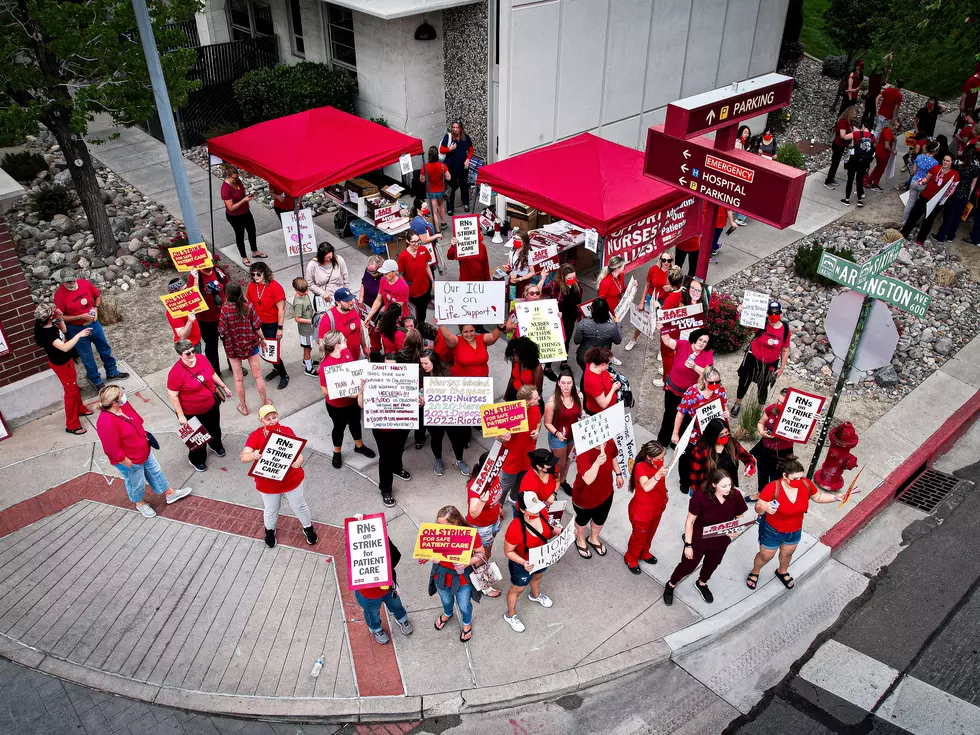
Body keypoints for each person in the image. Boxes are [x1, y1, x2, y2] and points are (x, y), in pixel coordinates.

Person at [96, 384, 192, 517]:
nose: (124, 395)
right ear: (114, 403)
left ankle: (169, 493)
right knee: (136, 482)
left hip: (143, 450)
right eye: (120, 395)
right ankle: (139, 503)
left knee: (156, 471)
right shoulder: (106, 422)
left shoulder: (123, 406)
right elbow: (111, 449)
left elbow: (138, 420)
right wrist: (128, 463)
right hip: (130, 459)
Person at [747, 458, 843, 591]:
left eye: (801, 477)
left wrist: (836, 497)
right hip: (772, 530)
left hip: (794, 531)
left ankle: (782, 571)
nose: (800, 481)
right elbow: (759, 508)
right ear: (785, 476)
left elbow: (818, 497)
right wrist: (764, 506)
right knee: (766, 556)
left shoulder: (806, 484)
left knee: (787, 554)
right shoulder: (772, 488)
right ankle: (755, 571)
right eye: (795, 478)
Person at [663, 469, 752, 605]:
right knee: (687, 566)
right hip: (699, 539)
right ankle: (671, 584)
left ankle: (702, 583)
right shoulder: (700, 497)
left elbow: (739, 517)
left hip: (721, 540)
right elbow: (690, 522)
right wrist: (688, 545)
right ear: (713, 485)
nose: (728, 488)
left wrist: (735, 530)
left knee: (711, 565)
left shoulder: (736, 495)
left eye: (730, 485)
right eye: (724, 486)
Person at [241, 405, 317, 548]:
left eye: (274, 417)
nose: (271, 421)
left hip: (291, 481)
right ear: (261, 420)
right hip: (268, 484)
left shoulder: (286, 431)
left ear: (278, 416)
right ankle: (269, 531)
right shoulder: (256, 435)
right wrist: (252, 455)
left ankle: (308, 527)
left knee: (299, 506)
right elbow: (244, 456)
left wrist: (299, 461)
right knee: (271, 509)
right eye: (267, 419)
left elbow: (298, 452)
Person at [53, 269, 130, 389]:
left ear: (75, 278)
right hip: (76, 328)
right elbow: (61, 317)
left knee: (105, 348)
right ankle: (96, 379)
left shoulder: (85, 284)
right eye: (66, 282)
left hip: (94, 324)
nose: (69, 284)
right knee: (87, 356)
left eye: (71, 281)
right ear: (62, 282)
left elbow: (97, 296)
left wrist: (96, 308)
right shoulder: (60, 295)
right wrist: (80, 317)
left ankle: (112, 372)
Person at [166, 338, 231, 472]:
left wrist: (224, 386)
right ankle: (197, 459)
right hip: (191, 411)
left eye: (193, 351)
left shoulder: (202, 359)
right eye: (188, 353)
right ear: (180, 355)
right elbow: (173, 395)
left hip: (211, 404)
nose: (192, 355)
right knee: (196, 438)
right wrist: (181, 415)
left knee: (214, 428)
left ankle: (215, 444)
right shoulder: (176, 372)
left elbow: (212, 374)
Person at [358, 354, 412, 507]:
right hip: (382, 429)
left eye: (393, 365)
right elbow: (361, 405)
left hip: (401, 425)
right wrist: (361, 390)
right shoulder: (372, 381)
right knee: (386, 457)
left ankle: (397, 468)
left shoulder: (405, 379)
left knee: (399, 450)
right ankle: (386, 489)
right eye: (386, 365)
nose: (389, 369)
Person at [33, 303, 93, 435]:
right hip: (61, 365)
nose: (56, 310)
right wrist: (79, 335)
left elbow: (64, 332)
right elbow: (65, 347)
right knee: (70, 393)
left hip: (66, 361)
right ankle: (72, 425)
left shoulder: (50, 325)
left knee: (74, 387)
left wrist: (60, 319)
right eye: (53, 311)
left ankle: (80, 409)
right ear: (49, 316)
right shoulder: (47, 334)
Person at [318, 330, 375, 469]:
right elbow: (325, 391)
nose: (346, 341)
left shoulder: (346, 352)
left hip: (352, 402)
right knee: (339, 428)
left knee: (355, 423)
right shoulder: (325, 366)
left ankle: (359, 446)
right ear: (337, 345)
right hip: (336, 406)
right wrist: (348, 393)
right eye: (343, 340)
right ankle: (337, 452)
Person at [427, 505, 484, 642]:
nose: (440, 528)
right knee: (445, 600)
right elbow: (428, 550)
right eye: (439, 523)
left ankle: (466, 623)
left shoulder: (471, 534)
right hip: (441, 575)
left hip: (462, 577)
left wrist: (468, 562)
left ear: (456, 522)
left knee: (464, 605)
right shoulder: (436, 533)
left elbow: (481, 553)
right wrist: (431, 556)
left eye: (444, 525)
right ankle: (447, 613)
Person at [503, 491, 556, 633]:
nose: (538, 511)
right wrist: (523, 562)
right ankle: (511, 614)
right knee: (518, 589)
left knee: (537, 577)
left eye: (538, 507)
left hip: (540, 558)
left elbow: (548, 531)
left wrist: (561, 532)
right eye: (533, 510)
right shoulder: (516, 527)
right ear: (522, 510)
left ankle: (536, 595)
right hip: (522, 564)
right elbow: (508, 551)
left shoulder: (542, 512)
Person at [671, 365, 727, 495]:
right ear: (704, 380)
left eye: (717, 382)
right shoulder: (693, 392)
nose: (715, 384)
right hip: (692, 429)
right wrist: (675, 433)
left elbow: (724, 407)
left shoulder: (720, 390)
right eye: (711, 382)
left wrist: (726, 413)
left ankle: (699, 481)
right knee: (686, 458)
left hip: (710, 432)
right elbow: (680, 413)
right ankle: (684, 482)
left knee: (705, 458)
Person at [730, 300, 790, 419]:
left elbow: (785, 349)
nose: (774, 315)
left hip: (770, 364)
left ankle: (758, 410)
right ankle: (737, 403)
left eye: (777, 312)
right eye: (771, 313)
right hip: (753, 358)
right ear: (767, 314)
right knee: (744, 382)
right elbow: (745, 323)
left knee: (763, 387)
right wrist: (741, 312)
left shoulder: (786, 330)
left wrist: (782, 367)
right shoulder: (761, 323)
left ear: (781, 314)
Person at [352, 529, 414, 645]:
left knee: (396, 604)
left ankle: (401, 618)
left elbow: (395, 554)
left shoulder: (381, 540)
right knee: (372, 613)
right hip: (368, 593)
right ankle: (376, 628)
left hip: (388, 587)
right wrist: (356, 524)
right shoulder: (355, 547)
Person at [217, 282, 269, 416]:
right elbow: (257, 326)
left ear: (227, 295)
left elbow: (221, 331)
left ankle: (244, 408)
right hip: (250, 343)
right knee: (258, 376)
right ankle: (265, 403)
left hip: (232, 347)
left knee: (238, 379)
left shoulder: (225, 309)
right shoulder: (248, 306)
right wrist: (263, 339)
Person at [657, 328, 714, 447]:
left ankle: (676, 443)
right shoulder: (683, 345)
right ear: (695, 338)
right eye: (700, 339)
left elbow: (708, 375)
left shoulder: (707, 354)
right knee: (669, 415)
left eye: (705, 342)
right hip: (672, 390)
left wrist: (694, 367)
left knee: (685, 420)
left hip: (689, 396)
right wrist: (663, 329)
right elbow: (668, 342)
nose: (702, 343)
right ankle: (662, 442)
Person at [417, 349, 470, 476]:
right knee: (436, 438)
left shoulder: (450, 372)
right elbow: (417, 392)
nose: (423, 366)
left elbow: (463, 388)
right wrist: (420, 401)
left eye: (426, 363)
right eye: (421, 364)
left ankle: (459, 460)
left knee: (456, 439)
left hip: (450, 413)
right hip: (431, 414)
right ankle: (438, 460)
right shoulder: (421, 375)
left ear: (434, 362)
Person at [572, 435, 622, 559]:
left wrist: (618, 473)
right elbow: (588, 479)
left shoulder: (609, 442)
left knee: (600, 519)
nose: (603, 444)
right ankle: (580, 540)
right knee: (582, 521)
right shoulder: (583, 451)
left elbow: (613, 457)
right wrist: (597, 463)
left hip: (606, 492)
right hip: (585, 497)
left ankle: (593, 538)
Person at [624, 441, 669, 574]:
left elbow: (660, 481)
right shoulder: (640, 467)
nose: (662, 460)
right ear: (649, 457)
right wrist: (658, 475)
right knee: (638, 538)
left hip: (657, 507)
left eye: (662, 457)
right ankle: (631, 558)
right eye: (659, 458)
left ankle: (644, 553)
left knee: (650, 534)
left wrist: (665, 491)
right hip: (642, 512)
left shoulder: (658, 461)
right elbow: (646, 486)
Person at [689, 418, 757, 502]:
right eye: (721, 435)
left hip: (728, 486)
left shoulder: (733, 444)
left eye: (727, 433)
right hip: (710, 490)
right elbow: (696, 477)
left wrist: (750, 467)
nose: (725, 437)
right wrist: (698, 496)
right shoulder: (700, 451)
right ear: (712, 435)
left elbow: (748, 458)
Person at [466, 450, 504, 597]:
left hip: (493, 520)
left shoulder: (494, 476)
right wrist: (482, 501)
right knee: (483, 555)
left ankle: (475, 559)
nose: (500, 468)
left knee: (486, 551)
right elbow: (473, 512)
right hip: (482, 526)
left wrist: (498, 507)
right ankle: (485, 586)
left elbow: (496, 493)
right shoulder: (475, 486)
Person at [498, 385, 543, 507]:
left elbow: (538, 422)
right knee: (504, 486)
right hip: (512, 460)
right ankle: (498, 506)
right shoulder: (510, 414)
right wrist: (502, 437)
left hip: (527, 457)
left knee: (520, 482)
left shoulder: (535, 409)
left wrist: (537, 430)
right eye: (535, 398)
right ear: (527, 401)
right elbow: (498, 437)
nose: (539, 398)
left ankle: (513, 499)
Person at [247, 262, 289, 390]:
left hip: (272, 325)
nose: (256, 276)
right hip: (259, 325)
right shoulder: (252, 286)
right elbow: (249, 303)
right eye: (253, 274)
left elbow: (281, 309)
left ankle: (284, 374)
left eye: (258, 274)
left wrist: (279, 328)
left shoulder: (275, 287)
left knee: (272, 352)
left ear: (265, 273)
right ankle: (276, 369)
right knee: (265, 351)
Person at [902, 153, 959, 245]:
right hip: (925, 195)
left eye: (947, 161)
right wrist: (920, 182)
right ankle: (904, 233)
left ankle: (920, 239)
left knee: (928, 220)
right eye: (944, 160)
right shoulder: (936, 168)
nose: (945, 162)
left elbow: (952, 189)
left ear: (952, 162)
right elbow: (926, 179)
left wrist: (943, 198)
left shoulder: (954, 174)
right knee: (914, 215)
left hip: (936, 201)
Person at [543, 369, 583, 494]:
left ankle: (562, 482)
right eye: (563, 383)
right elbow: (547, 423)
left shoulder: (579, 396)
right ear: (558, 383)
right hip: (558, 437)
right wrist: (557, 433)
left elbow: (580, 413)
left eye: (569, 383)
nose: (566, 386)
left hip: (572, 435)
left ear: (572, 383)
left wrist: (584, 417)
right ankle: (553, 485)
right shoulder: (552, 403)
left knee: (567, 461)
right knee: (558, 464)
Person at [751, 387, 795, 493]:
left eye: (782, 403)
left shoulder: (795, 417)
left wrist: (814, 421)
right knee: (762, 473)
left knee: (777, 478)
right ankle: (761, 494)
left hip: (782, 453)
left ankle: (772, 497)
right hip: (765, 447)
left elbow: (809, 435)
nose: (779, 404)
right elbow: (761, 423)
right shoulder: (772, 408)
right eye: (778, 400)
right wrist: (762, 432)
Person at [626, 250, 672, 351]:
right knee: (642, 319)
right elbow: (647, 285)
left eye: (669, 260)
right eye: (664, 260)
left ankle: (662, 349)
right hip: (650, 297)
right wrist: (642, 302)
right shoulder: (653, 269)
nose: (666, 262)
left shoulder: (673, 272)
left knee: (663, 326)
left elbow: (676, 288)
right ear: (660, 260)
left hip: (664, 301)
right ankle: (633, 339)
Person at [187, 264, 229, 374]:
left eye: (210, 262)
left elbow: (228, 286)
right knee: (211, 347)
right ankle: (216, 373)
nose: (210, 265)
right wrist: (195, 279)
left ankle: (234, 366)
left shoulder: (218, 270)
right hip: (206, 320)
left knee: (228, 343)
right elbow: (192, 297)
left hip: (224, 317)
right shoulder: (196, 275)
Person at [220, 165, 266, 266]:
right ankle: (244, 257)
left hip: (245, 212)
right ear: (227, 176)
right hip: (234, 216)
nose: (237, 179)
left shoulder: (238, 182)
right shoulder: (225, 189)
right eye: (234, 178)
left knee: (252, 231)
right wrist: (243, 201)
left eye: (237, 177)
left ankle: (254, 251)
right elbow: (231, 207)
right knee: (240, 235)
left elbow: (241, 194)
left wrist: (247, 199)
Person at [937, 147, 980, 243]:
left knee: (948, 216)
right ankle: (950, 236)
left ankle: (941, 236)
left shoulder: (958, 165)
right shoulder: (976, 168)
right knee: (957, 218)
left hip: (954, 193)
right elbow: (973, 184)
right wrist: (968, 196)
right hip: (965, 195)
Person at [573, 297, 622, 375]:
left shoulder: (583, 323)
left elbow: (576, 341)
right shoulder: (611, 327)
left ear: (592, 310)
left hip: (584, 357)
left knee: (586, 374)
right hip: (602, 360)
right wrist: (618, 324)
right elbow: (618, 341)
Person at [438, 322, 507, 377]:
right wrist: (441, 325)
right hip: (464, 382)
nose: (469, 334)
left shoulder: (482, 339)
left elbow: (492, 337)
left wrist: (500, 328)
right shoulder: (457, 341)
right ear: (461, 332)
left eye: (471, 331)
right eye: (465, 332)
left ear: (475, 330)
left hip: (483, 380)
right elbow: (448, 336)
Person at [546, 265, 582, 368]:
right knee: (555, 341)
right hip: (558, 319)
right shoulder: (555, 285)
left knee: (567, 340)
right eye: (569, 278)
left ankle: (564, 362)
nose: (572, 280)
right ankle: (548, 367)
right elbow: (541, 292)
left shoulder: (576, 284)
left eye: (573, 277)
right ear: (562, 277)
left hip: (571, 318)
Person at [317, 287, 368, 360]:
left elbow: (360, 330)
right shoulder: (328, 319)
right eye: (347, 301)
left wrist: (364, 347)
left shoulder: (355, 309)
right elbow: (322, 344)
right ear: (338, 303)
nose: (351, 302)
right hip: (340, 362)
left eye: (351, 299)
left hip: (357, 356)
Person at [656, 266, 687, 387]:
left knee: (667, 354)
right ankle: (667, 372)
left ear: (669, 282)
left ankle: (666, 380)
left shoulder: (670, 299)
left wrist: (658, 306)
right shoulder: (682, 291)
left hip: (668, 330)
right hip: (678, 328)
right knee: (673, 353)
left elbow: (663, 316)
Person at [397, 231, 435, 324]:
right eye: (413, 242)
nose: (416, 244)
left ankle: (421, 328)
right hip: (412, 291)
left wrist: (432, 281)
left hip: (425, 287)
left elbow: (427, 266)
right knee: (413, 315)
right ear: (407, 241)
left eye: (418, 241)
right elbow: (400, 274)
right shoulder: (403, 256)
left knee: (422, 312)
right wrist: (404, 287)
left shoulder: (423, 250)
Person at [441, 121, 474, 215]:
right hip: (451, 167)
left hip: (463, 167)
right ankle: (450, 207)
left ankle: (466, 203)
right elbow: (442, 149)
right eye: (454, 127)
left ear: (461, 128)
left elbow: (471, 149)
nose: (455, 129)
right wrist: (450, 149)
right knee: (451, 187)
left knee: (464, 185)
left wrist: (468, 159)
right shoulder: (448, 137)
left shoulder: (466, 137)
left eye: (457, 127)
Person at [304, 242, 350, 308]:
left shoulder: (339, 260)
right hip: (323, 299)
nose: (328, 259)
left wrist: (346, 293)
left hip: (339, 297)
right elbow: (309, 283)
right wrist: (323, 293)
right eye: (326, 257)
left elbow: (345, 277)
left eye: (330, 257)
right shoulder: (312, 265)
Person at [902, 140, 939, 218]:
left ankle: (904, 220)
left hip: (914, 180)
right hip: (924, 184)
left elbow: (914, 170)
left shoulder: (919, 157)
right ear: (935, 151)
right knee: (919, 205)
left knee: (910, 202)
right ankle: (913, 221)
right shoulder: (935, 163)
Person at [841, 124, 875, 207]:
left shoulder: (857, 133)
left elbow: (844, 137)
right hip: (864, 162)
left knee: (850, 179)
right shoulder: (872, 137)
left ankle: (847, 199)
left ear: (863, 126)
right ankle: (860, 200)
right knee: (859, 180)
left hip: (854, 159)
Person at [164, 278, 201, 352]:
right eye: (184, 290)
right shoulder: (173, 311)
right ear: (176, 293)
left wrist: (196, 279)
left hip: (196, 342)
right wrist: (189, 322)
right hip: (188, 347)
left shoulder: (186, 301)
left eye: (187, 288)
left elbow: (194, 292)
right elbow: (182, 336)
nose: (188, 291)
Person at [582, 347, 621, 416]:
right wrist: (613, 389)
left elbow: (602, 372)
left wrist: (608, 375)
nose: (608, 365)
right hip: (600, 412)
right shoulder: (594, 382)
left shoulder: (592, 363)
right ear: (602, 364)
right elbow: (603, 404)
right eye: (608, 363)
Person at [824, 106, 857, 189]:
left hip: (843, 145)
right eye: (854, 112)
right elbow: (843, 135)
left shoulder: (850, 121)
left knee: (837, 163)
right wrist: (854, 135)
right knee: (834, 163)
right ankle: (828, 181)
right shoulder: (843, 121)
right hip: (838, 145)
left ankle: (831, 179)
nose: (855, 114)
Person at [503, 336, 543, 403]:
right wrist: (506, 395)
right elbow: (512, 378)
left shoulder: (536, 368)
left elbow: (538, 390)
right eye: (514, 354)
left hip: (526, 398)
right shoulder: (515, 361)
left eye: (517, 355)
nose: (515, 357)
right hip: (513, 393)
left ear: (525, 354)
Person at [419, 146, 450, 230]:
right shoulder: (442, 166)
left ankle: (437, 230)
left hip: (430, 191)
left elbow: (422, 180)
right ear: (437, 155)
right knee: (441, 207)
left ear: (429, 155)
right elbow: (448, 178)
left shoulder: (425, 167)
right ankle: (443, 223)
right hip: (440, 190)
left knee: (434, 211)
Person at [291, 277, 317, 377]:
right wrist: (311, 321)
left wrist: (313, 312)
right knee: (307, 348)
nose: (306, 292)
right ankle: (308, 368)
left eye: (307, 290)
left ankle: (307, 360)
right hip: (305, 330)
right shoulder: (298, 303)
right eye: (304, 291)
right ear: (297, 290)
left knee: (309, 347)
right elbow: (297, 318)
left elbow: (309, 306)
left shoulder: (305, 295)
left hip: (310, 327)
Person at [865, 117, 899, 192]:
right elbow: (887, 146)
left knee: (878, 167)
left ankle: (869, 182)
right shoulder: (889, 132)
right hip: (883, 153)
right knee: (881, 169)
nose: (896, 127)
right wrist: (893, 151)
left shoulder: (885, 129)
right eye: (896, 126)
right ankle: (875, 184)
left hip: (879, 150)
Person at [502, 231, 537, 302]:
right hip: (513, 278)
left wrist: (520, 279)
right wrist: (507, 266)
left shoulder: (528, 254)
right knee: (511, 298)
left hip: (522, 281)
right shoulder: (512, 251)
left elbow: (532, 272)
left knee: (519, 300)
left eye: (518, 239)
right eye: (515, 238)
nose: (515, 241)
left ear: (524, 241)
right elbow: (509, 263)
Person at [959, 66, 980, 133]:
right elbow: (965, 93)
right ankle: (959, 133)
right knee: (963, 121)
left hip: (977, 107)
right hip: (969, 105)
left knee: (975, 122)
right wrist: (962, 104)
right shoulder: (972, 80)